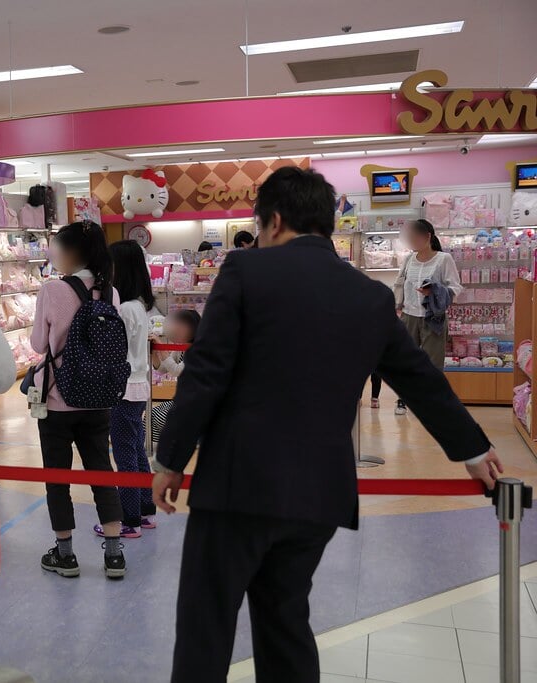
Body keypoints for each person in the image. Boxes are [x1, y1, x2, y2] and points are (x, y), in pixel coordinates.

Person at [152, 166, 501, 683]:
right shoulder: (369, 297)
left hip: (237, 486)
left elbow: (206, 373)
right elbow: (420, 379)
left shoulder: (245, 272)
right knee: (285, 621)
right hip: (318, 493)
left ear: (272, 221)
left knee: (207, 622)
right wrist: (473, 449)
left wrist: (169, 458)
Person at [31, 221, 127, 579]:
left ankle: (66, 554)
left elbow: (39, 345)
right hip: (98, 397)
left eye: (57, 247)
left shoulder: (52, 290)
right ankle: (114, 554)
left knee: (58, 476)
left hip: (58, 398)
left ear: (71, 253)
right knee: (102, 470)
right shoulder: (110, 293)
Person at [97, 240, 156, 538]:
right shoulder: (139, 307)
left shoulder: (124, 310)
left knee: (125, 454)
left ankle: (129, 518)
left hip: (123, 388)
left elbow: (113, 351)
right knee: (135, 449)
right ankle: (145, 509)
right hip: (138, 386)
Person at [393, 219, 462, 415]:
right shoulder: (408, 260)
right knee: (405, 361)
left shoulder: (443, 259)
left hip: (433, 317)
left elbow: (456, 287)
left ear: (427, 237)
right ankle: (403, 400)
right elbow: (399, 285)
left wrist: (435, 291)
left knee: (433, 363)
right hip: (408, 315)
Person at [150, 309, 201, 444]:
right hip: (182, 400)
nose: (176, 329)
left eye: (181, 326)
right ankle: (152, 450)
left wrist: (161, 346)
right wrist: (155, 352)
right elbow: (162, 369)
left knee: (157, 417)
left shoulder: (199, 350)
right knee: (150, 417)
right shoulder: (180, 347)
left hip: (196, 404)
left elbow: (177, 371)